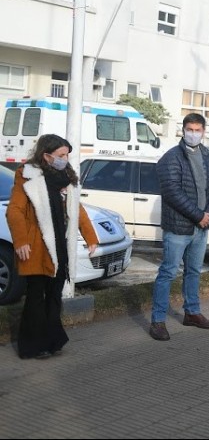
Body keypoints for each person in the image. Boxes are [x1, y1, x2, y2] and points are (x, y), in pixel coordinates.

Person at [6, 134, 99, 359]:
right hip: (36, 246)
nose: (65, 159)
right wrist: (21, 240)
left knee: (55, 295)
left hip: (59, 246)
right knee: (36, 296)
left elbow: (77, 210)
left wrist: (91, 237)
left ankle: (52, 341)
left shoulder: (66, 177)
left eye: (67, 155)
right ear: (46, 155)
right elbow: (14, 210)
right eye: (61, 155)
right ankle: (33, 346)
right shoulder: (27, 175)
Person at [149, 113, 209, 341]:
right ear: (183, 130)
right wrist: (198, 215)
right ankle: (158, 320)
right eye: (190, 129)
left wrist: (208, 212)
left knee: (194, 271)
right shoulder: (171, 158)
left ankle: (192, 312)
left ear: (203, 132)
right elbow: (172, 192)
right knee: (168, 272)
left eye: (198, 130)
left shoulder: (207, 155)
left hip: (201, 226)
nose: (193, 134)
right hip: (179, 227)